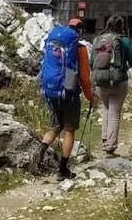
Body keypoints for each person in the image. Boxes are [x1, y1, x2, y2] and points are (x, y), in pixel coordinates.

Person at [36, 19, 95, 181]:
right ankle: (62, 170)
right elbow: (84, 77)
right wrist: (91, 97)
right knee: (69, 130)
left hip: (51, 90)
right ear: (80, 31)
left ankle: (38, 154)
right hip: (69, 93)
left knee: (54, 126)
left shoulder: (53, 42)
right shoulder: (79, 48)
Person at [90, 15, 132, 157]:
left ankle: (104, 140)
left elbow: (91, 62)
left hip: (100, 82)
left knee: (106, 109)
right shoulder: (124, 40)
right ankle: (110, 145)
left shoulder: (97, 40)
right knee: (114, 113)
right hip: (118, 82)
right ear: (121, 26)